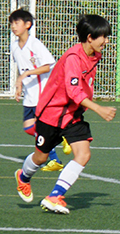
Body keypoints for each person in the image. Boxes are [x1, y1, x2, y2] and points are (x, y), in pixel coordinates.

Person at [14, 14, 116, 214]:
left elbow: (82, 88)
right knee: (41, 158)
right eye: (103, 37)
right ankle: (23, 177)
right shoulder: (72, 58)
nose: (106, 40)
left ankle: (55, 196)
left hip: (72, 116)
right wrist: (98, 108)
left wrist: (86, 106)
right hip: (51, 115)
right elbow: (73, 91)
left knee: (84, 154)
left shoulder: (95, 55)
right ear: (89, 38)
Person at [9, 9, 71, 172]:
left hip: (43, 94)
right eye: (12, 23)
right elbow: (22, 67)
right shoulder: (14, 45)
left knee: (41, 128)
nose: (13, 26)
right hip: (30, 96)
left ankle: (55, 159)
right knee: (29, 128)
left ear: (27, 25)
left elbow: (49, 65)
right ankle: (60, 140)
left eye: (17, 23)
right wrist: (19, 84)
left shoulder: (35, 44)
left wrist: (26, 74)